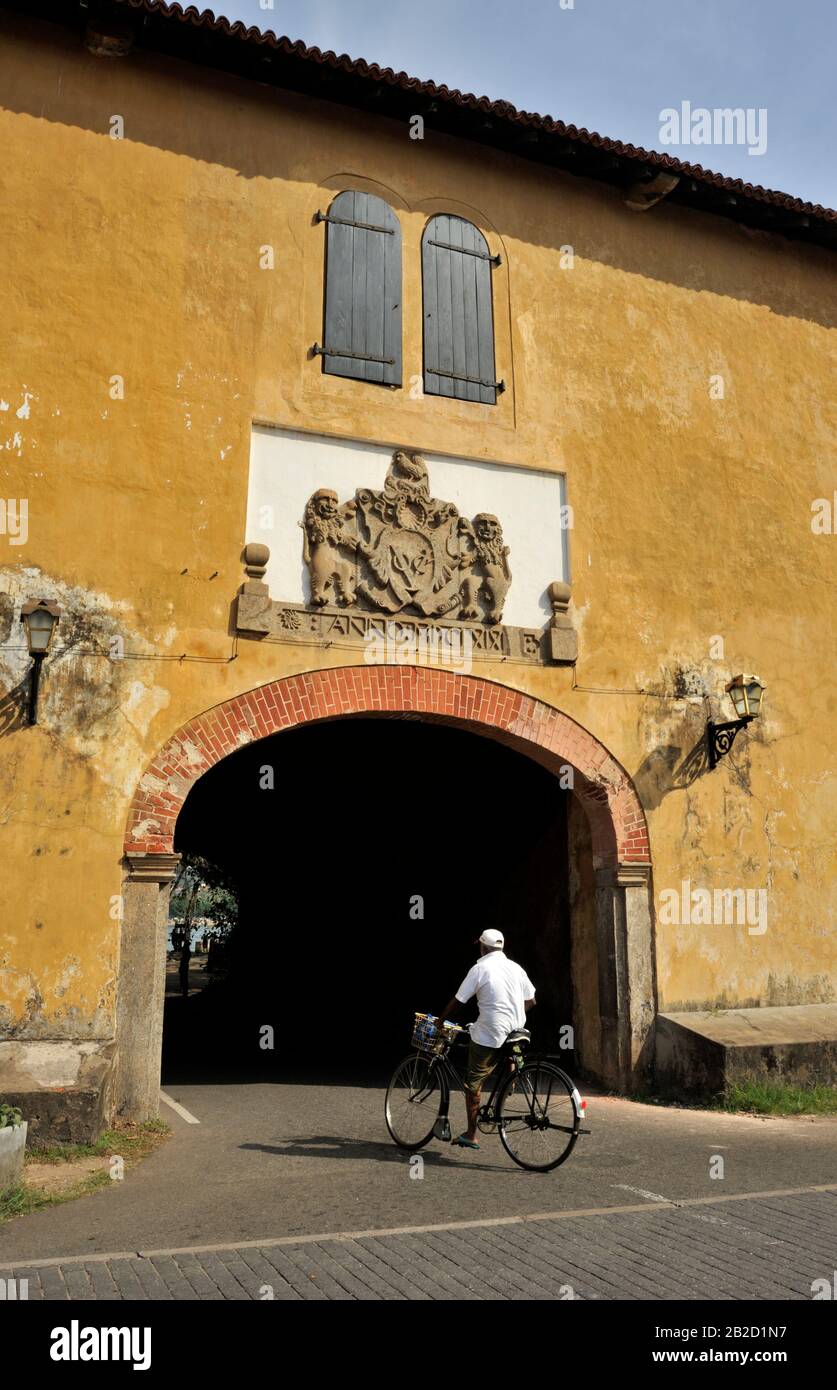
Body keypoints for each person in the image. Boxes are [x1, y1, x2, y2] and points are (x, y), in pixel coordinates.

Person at [436, 929, 536, 1150]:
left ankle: (471, 1135)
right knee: (502, 1041)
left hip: (491, 1031)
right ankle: (510, 1075)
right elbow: (532, 1000)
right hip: (517, 1029)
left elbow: (459, 1000)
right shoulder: (516, 967)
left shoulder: (480, 968)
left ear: (482, 947)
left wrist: (441, 1020)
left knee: (473, 1083)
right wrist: (512, 1014)